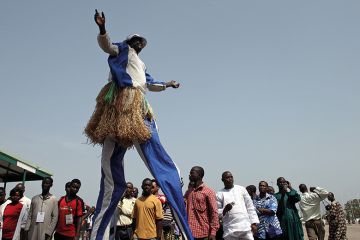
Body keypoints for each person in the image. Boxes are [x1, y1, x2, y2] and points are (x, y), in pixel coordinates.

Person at [85, 10, 192, 240]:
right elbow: (107, 47)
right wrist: (102, 29)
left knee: (157, 156)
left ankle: (175, 187)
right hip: (120, 106)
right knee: (111, 176)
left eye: (142, 42)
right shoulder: (123, 49)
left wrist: (168, 84)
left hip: (137, 107)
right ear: (130, 41)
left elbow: (150, 83)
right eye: (137, 41)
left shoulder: (141, 63)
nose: (140, 44)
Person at [216, 171, 259, 240]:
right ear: (222, 180)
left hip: (245, 227)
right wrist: (225, 209)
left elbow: (250, 206)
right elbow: (217, 212)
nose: (230, 179)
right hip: (230, 229)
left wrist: (254, 223)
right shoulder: (219, 194)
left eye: (231, 177)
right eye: (227, 177)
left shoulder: (241, 189)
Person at [185, 166, 219, 240]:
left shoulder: (208, 192)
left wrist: (213, 232)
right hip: (189, 233)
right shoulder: (188, 192)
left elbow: (214, 212)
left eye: (192, 173)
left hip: (203, 234)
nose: (189, 175)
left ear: (200, 175)